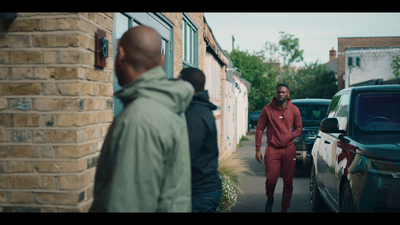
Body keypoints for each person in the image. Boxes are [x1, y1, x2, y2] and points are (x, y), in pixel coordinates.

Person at [89, 26, 194, 212]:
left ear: (120, 54)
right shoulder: (165, 105)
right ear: (161, 60)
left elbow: (128, 205)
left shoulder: (139, 119)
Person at [178, 67, 222, 212]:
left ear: (186, 86)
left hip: (200, 193)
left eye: (178, 82)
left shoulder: (195, 114)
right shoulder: (200, 109)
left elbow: (187, 154)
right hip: (203, 191)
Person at [255, 83, 302, 213]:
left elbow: (299, 129)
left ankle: (284, 208)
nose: (280, 94)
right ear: (275, 94)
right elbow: (259, 128)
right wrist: (258, 149)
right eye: (278, 92)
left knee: (288, 181)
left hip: (289, 149)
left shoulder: (294, 110)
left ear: (288, 94)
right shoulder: (267, 110)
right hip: (272, 149)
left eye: (283, 92)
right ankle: (270, 198)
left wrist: (289, 136)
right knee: (271, 180)